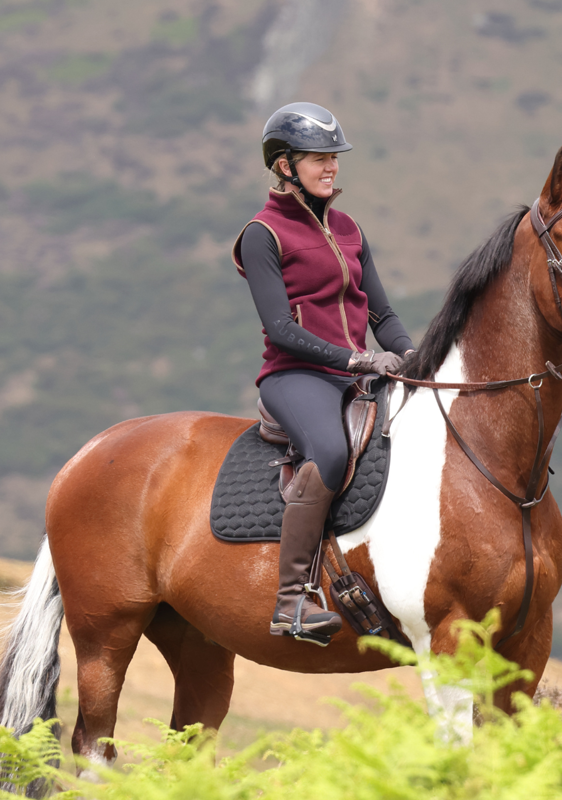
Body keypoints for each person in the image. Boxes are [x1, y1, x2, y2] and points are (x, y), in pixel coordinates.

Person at [232, 102, 414, 644]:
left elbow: (381, 314)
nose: (331, 167)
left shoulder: (350, 228)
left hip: (355, 375)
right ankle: (291, 602)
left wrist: (411, 356)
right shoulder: (261, 234)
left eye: (335, 157)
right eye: (318, 158)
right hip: (296, 375)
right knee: (331, 452)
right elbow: (281, 329)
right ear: (286, 166)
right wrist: (358, 359)